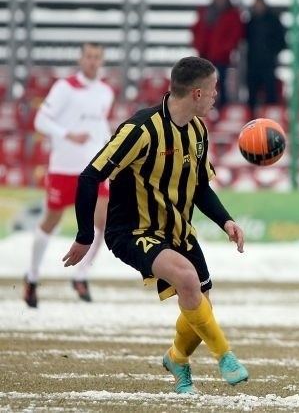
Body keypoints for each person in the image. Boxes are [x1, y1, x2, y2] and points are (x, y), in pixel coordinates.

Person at [61, 56, 249, 392]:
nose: (215, 96)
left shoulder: (198, 132)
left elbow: (200, 188)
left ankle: (176, 359)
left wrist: (226, 221)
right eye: (212, 90)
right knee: (187, 278)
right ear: (196, 93)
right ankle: (225, 356)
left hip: (176, 230)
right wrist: (84, 235)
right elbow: (90, 176)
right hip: (132, 231)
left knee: (201, 301)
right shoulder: (140, 130)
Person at [23, 42, 114, 308]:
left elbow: (99, 127)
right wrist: (67, 134)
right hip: (64, 167)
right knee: (52, 220)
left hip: (93, 169)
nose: (92, 61)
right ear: (81, 58)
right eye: (88, 56)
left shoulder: (106, 92)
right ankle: (32, 277)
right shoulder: (65, 88)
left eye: (97, 57)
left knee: (104, 221)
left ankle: (81, 275)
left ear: (102, 60)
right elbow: (40, 121)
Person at [190, 0, 244, 112]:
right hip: (205, 54)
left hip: (221, 56)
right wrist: (198, 45)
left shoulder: (232, 14)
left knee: (222, 84)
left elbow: (235, 35)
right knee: (201, 84)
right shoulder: (205, 11)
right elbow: (197, 29)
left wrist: (225, 49)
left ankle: (222, 109)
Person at [244, 0, 286, 116]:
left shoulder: (273, 20)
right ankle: (251, 118)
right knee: (252, 94)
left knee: (270, 93)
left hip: (268, 63)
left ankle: (270, 117)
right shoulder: (251, 21)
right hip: (253, 63)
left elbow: (281, 41)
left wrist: (271, 52)